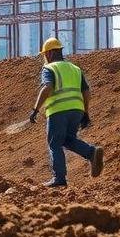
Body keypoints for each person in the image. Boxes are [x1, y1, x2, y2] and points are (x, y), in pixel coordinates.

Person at [29, 37, 105, 187]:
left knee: (55, 144)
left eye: (45, 54)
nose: (45, 57)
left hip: (58, 111)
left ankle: (59, 179)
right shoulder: (75, 69)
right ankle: (91, 153)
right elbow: (86, 91)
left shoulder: (49, 69)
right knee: (68, 140)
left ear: (49, 53)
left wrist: (36, 109)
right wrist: (86, 112)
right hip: (77, 110)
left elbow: (47, 87)